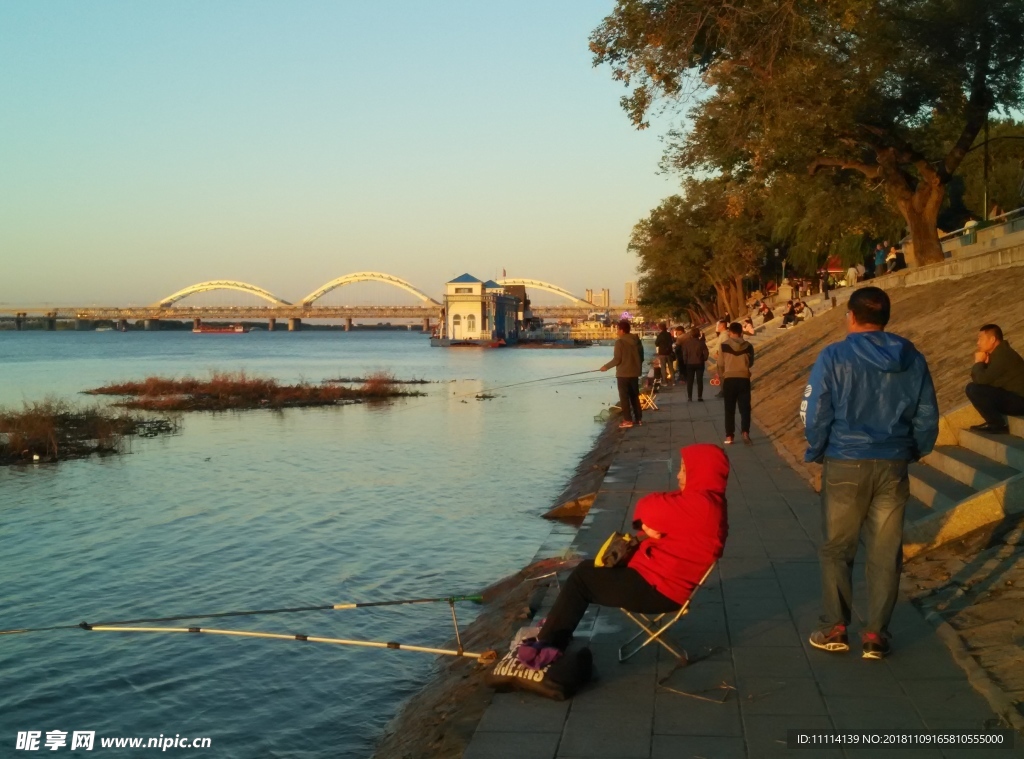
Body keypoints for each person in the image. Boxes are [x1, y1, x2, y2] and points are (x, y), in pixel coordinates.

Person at [802, 287, 939, 660]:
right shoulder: (912, 357)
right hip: (892, 462)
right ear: (886, 317)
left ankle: (835, 626)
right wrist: (916, 448)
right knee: (884, 551)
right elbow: (926, 413)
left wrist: (815, 449)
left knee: (837, 548)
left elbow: (815, 411)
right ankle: (876, 634)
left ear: (850, 315)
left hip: (845, 460)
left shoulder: (834, 355)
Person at [537, 444, 729, 650]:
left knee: (582, 580)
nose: (679, 476)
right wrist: (646, 521)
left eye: (685, 469)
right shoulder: (708, 501)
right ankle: (555, 629)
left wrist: (647, 520)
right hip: (656, 578)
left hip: (658, 590)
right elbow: (647, 513)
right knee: (586, 568)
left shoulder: (701, 506)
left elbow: (644, 507)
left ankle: (547, 645)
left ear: (701, 471)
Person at [965, 324, 1024, 434]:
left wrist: (979, 363)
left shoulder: (1003, 355)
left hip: (1020, 401)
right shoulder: (998, 354)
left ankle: (997, 424)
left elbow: (981, 380)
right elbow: (980, 380)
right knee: (973, 388)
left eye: (980, 339)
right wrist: (983, 365)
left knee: (973, 389)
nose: (978, 343)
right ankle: (994, 421)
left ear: (992, 339)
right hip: (1013, 397)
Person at [600, 319, 643, 429]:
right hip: (635, 373)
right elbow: (641, 358)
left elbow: (617, 359)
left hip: (623, 374)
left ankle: (628, 420)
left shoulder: (620, 342)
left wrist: (606, 367)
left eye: (617, 330)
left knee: (624, 398)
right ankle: (638, 419)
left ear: (622, 330)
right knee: (634, 397)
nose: (617, 332)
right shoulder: (637, 341)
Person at [718, 322, 754, 445]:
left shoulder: (724, 345)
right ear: (741, 332)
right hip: (744, 378)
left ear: (730, 332)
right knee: (745, 408)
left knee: (729, 409)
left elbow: (721, 364)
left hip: (729, 378)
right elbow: (751, 363)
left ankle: (729, 436)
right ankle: (745, 432)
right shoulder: (748, 346)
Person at [679, 326, 709, 401]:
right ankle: (699, 396)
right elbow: (706, 352)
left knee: (690, 381)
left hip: (690, 363)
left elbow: (684, 354)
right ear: (698, 334)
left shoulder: (687, 343)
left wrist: (685, 361)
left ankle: (690, 397)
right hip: (700, 363)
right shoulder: (701, 343)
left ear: (691, 334)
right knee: (700, 380)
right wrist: (704, 358)